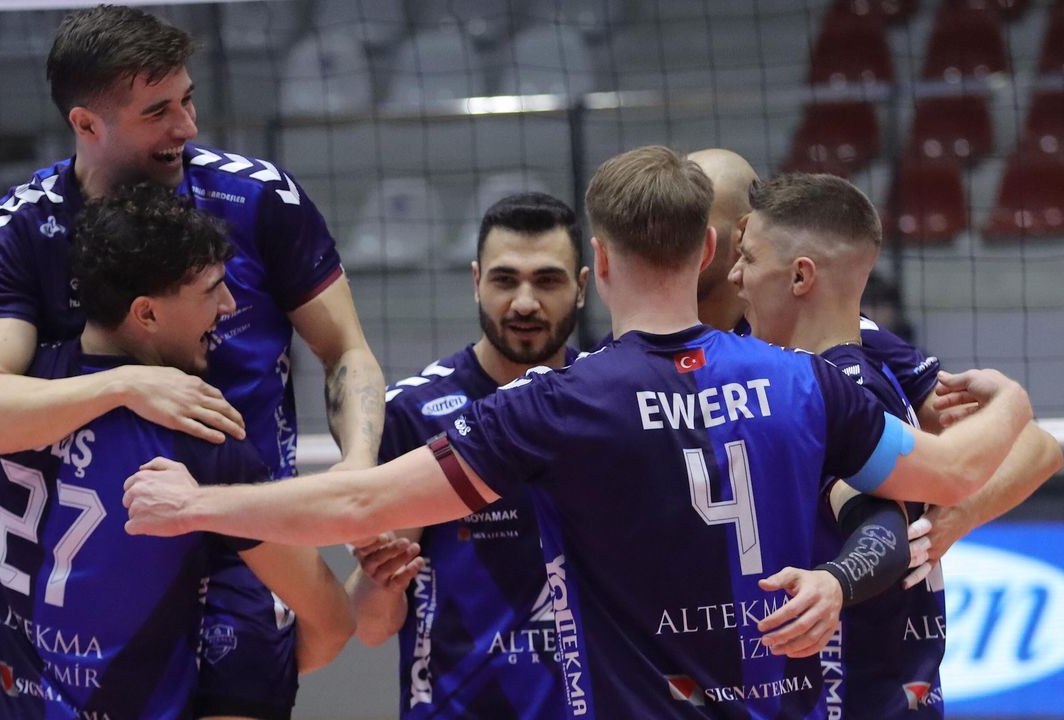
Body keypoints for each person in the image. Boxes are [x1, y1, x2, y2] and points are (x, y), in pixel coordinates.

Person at [121, 146, 1032, 718]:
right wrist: (1015, 404)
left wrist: (201, 502)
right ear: (708, 252)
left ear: (597, 260)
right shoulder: (802, 381)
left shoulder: (560, 403)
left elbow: (360, 502)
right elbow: (953, 476)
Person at [0, 4, 384, 717]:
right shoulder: (21, 229)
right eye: (158, 112)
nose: (187, 127)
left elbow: (347, 352)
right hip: (82, 535)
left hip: (237, 526)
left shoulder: (258, 197)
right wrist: (39, 595)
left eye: (187, 100)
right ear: (86, 123)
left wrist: (358, 466)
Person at [0, 183, 353, 719]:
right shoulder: (199, 431)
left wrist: (18, 598)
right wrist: (249, 677)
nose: (229, 306)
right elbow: (332, 619)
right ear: (146, 314)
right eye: (213, 289)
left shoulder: (5, 407)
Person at [688, 149, 1060, 579]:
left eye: (691, 221)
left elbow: (1033, 445)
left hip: (820, 606)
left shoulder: (842, 344)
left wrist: (951, 518)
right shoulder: (641, 350)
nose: (672, 234)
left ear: (740, 231)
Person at [350, 192, 589, 718]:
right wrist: (381, 582)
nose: (524, 303)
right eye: (505, 280)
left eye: (547, 281)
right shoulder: (410, 415)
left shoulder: (610, 400)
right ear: (476, 281)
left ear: (583, 287)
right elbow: (369, 626)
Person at [728, 173, 947, 716]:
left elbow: (882, 524)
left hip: (846, 699)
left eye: (748, 259)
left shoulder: (831, 393)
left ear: (801, 276)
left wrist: (834, 581)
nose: (734, 276)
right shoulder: (872, 372)